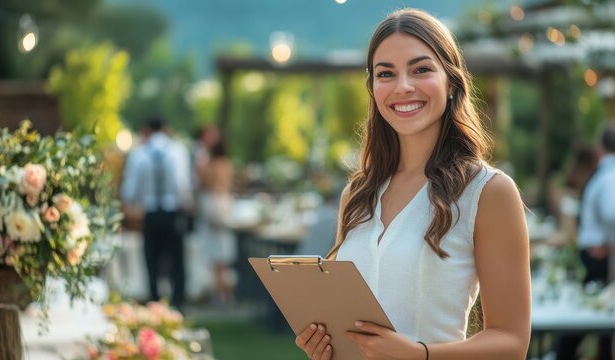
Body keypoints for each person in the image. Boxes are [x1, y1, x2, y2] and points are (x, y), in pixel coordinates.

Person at [294, 9, 531, 360]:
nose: (402, 86)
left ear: (451, 82)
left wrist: (420, 354)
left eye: (421, 69)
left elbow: (511, 343)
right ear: (373, 89)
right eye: (385, 73)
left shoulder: (488, 192)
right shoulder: (356, 196)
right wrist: (327, 345)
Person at [120, 115, 193, 309]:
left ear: (146, 130)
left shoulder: (139, 154)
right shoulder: (178, 151)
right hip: (173, 213)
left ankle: (155, 302)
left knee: (152, 261)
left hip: (150, 214)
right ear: (166, 129)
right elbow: (184, 185)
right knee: (177, 261)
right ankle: (178, 303)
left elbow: (130, 191)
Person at [557, 122, 615, 360]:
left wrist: (610, 245)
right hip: (595, 257)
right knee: (593, 326)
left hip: (596, 258)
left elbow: (612, 213)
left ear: (600, 148)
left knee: (584, 325)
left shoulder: (608, 174)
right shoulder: (607, 173)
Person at [198, 138, 237, 305]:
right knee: (222, 257)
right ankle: (222, 292)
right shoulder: (228, 165)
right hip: (225, 205)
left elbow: (204, 183)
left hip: (214, 206)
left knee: (216, 258)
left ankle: (221, 292)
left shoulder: (210, 166)